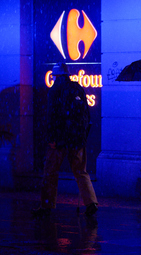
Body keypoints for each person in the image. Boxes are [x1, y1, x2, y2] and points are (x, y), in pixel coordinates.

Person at [32, 62, 98, 217]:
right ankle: (91, 203)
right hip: (77, 138)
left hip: (60, 139)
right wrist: (82, 135)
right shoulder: (78, 88)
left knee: (50, 171)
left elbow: (51, 117)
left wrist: (51, 137)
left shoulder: (55, 90)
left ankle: (47, 205)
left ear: (57, 76)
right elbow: (86, 115)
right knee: (81, 172)